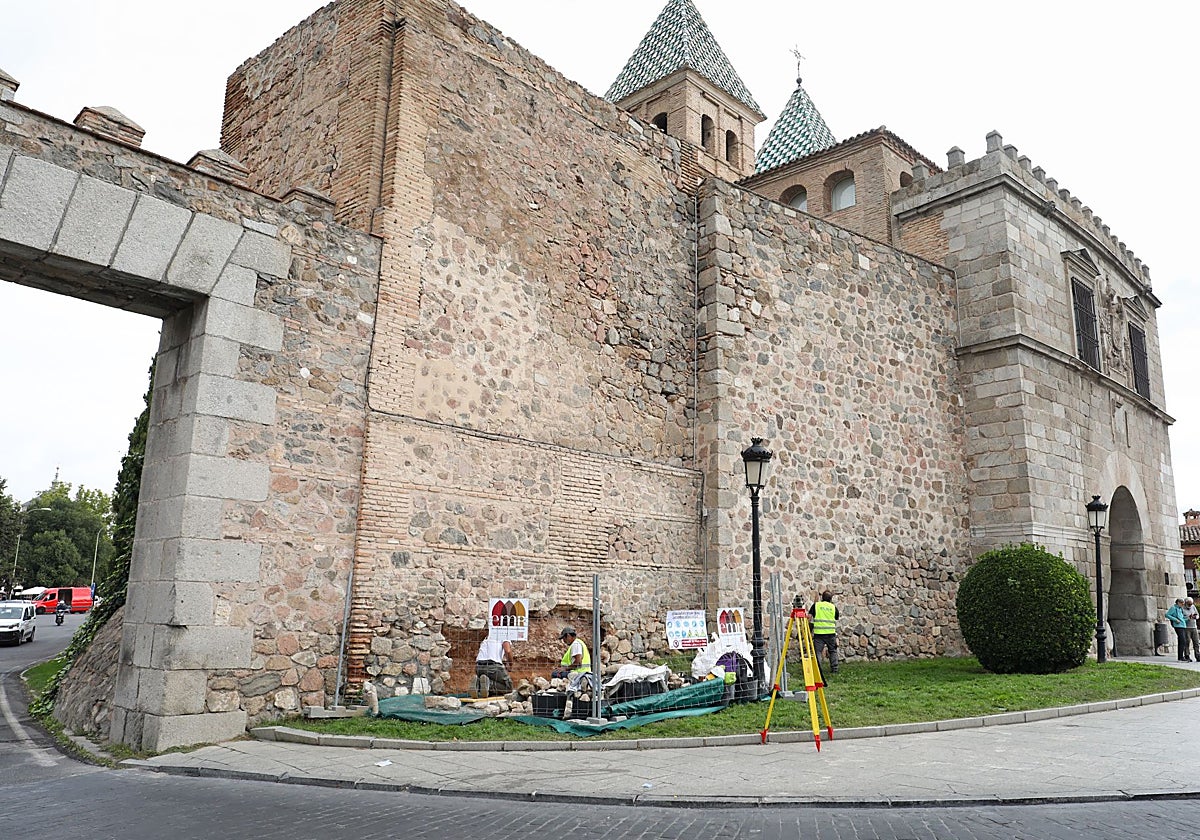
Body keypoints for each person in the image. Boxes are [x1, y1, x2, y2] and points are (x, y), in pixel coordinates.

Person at [808, 591, 839, 676]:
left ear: (822, 598)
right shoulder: (833, 607)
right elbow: (836, 617)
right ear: (831, 599)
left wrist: (807, 627)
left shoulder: (816, 605)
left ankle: (818, 669)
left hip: (819, 634)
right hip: (831, 633)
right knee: (832, 651)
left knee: (817, 652)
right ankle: (835, 669)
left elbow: (809, 617)